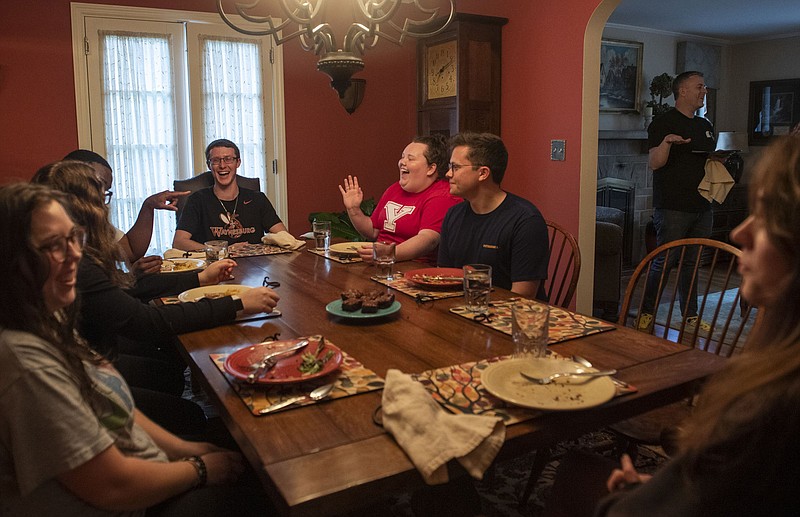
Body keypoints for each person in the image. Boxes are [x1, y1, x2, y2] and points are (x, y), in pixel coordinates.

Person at [545, 135, 800, 517]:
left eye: (765, 218)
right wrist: (664, 486)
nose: (739, 233)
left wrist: (626, 500)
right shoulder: (773, 370)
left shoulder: (775, 408)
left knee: (573, 475)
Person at [0, 182, 271, 516]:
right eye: (54, 245)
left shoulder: (50, 318)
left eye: (75, 238)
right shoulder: (26, 365)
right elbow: (114, 487)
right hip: (130, 499)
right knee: (271, 488)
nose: (74, 255)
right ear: (11, 259)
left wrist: (187, 449)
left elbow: (114, 406)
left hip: (146, 467)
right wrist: (200, 468)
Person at [32, 161, 280, 432]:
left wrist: (199, 277)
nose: (105, 206)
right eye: (103, 196)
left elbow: (128, 289)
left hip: (85, 357)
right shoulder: (73, 261)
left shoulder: (66, 253)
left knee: (171, 367)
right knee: (190, 411)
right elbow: (147, 321)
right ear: (84, 205)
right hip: (82, 375)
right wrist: (237, 304)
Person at [636, 71, 719, 333]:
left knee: (693, 263)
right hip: (672, 206)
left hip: (702, 205)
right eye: (699, 86)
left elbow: (707, 160)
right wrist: (667, 143)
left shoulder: (705, 125)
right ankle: (646, 312)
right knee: (665, 261)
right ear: (682, 91)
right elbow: (654, 163)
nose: (704, 91)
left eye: (704, 87)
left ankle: (690, 315)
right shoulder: (662, 123)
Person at [437, 132, 549, 300]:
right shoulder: (454, 214)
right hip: (461, 308)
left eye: (456, 167)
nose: (448, 174)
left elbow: (523, 296)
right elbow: (443, 276)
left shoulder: (526, 221)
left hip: (511, 317)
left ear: (483, 173)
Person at [338, 134, 461, 263]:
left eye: (410, 159)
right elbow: (373, 231)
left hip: (414, 267)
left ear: (431, 168)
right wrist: (353, 210)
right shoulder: (395, 189)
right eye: (402, 157)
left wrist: (390, 253)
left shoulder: (442, 195)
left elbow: (428, 240)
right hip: (382, 264)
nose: (402, 162)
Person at [64, 149, 189, 275]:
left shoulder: (94, 221)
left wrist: (148, 206)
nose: (103, 195)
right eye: (99, 185)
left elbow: (131, 251)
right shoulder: (60, 232)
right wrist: (131, 277)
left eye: (106, 190)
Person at [173, 139, 287, 251]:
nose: (222, 165)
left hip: (254, 265)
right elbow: (179, 242)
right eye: (216, 160)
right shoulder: (197, 200)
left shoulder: (258, 199)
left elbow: (284, 237)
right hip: (213, 265)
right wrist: (222, 250)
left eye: (228, 159)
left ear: (238, 162)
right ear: (209, 165)